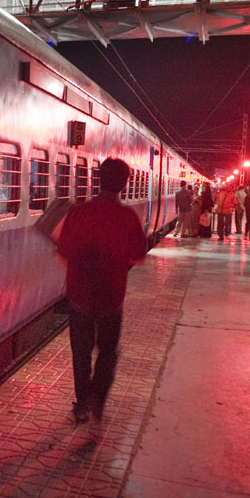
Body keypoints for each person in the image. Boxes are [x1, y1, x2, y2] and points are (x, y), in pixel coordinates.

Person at [57, 158, 147, 423]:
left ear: (98, 180)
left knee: (81, 353)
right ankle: (98, 399)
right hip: (111, 298)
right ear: (124, 184)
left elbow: (62, 254)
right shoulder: (128, 217)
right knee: (108, 352)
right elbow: (138, 258)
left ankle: (82, 404)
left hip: (80, 297)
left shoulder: (77, 213)